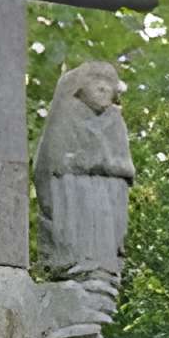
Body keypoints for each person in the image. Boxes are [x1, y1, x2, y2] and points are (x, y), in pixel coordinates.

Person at [33, 59, 134, 312]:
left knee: (102, 231)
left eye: (109, 84)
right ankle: (77, 268)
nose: (103, 89)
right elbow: (52, 162)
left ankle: (102, 272)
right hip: (75, 199)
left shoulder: (115, 121)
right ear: (79, 87)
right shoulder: (67, 115)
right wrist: (92, 163)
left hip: (107, 201)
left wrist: (104, 164)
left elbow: (125, 165)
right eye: (95, 82)